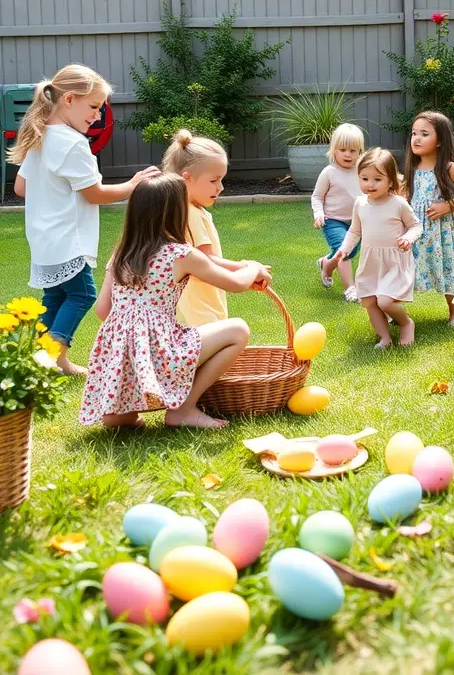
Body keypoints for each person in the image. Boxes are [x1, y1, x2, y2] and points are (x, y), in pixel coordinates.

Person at [80, 172, 270, 430]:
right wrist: (253, 267)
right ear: (177, 212)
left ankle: (125, 410)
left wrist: (134, 336)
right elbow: (236, 284)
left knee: (118, 422)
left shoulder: (121, 252)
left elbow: (103, 310)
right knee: (238, 329)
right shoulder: (180, 254)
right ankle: (183, 409)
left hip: (121, 360)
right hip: (163, 354)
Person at [9, 64, 158, 376]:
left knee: (57, 295)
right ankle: (48, 358)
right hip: (67, 238)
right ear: (69, 100)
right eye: (93, 106)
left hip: (43, 237)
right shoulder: (72, 144)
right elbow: (94, 193)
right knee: (82, 294)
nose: (98, 115)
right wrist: (132, 186)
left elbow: (20, 187)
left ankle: (43, 359)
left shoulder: (41, 137)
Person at [161, 130, 270, 327]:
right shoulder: (191, 214)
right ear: (187, 178)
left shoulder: (189, 210)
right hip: (200, 308)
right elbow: (206, 259)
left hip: (199, 303)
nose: (220, 187)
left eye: (221, 180)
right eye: (213, 180)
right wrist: (246, 267)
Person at [335, 148, 423, 347]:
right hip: (371, 261)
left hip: (394, 261)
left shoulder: (398, 204)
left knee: (385, 301)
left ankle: (406, 323)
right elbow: (355, 231)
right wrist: (344, 249)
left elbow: (416, 225)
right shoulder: (360, 204)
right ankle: (384, 336)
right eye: (364, 179)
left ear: (390, 181)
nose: (370, 184)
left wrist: (408, 237)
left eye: (377, 179)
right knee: (369, 301)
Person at [402, 111, 454, 327]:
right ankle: (395, 311)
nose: (417, 138)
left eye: (424, 134)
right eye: (414, 133)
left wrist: (448, 206)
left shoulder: (450, 169)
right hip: (416, 230)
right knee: (407, 267)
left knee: (449, 267)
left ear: (440, 140)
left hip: (443, 233)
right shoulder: (412, 169)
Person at [311, 123, 364, 303]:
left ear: (360, 151)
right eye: (342, 150)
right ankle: (351, 288)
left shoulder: (363, 171)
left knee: (347, 251)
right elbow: (317, 196)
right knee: (344, 250)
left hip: (357, 222)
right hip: (333, 220)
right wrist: (318, 214)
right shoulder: (329, 173)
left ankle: (327, 264)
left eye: (353, 150)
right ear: (334, 150)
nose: (348, 154)